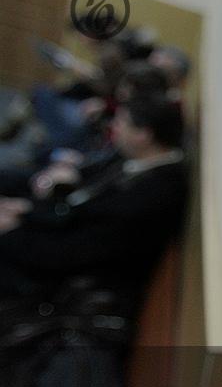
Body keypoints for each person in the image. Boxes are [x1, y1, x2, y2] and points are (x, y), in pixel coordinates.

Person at [0, 94, 188, 301]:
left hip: (62, 280)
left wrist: (12, 232)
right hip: (57, 232)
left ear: (143, 134)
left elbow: (68, 253)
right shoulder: (138, 160)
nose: (113, 126)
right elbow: (79, 205)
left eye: (121, 122)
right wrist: (27, 210)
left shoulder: (153, 194)